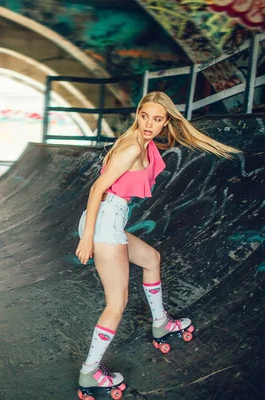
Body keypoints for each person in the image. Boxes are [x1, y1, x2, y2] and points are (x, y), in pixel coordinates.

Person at [75, 91, 240, 393]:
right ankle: (89, 373)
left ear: (165, 123)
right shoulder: (130, 148)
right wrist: (88, 238)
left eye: (157, 118)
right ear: (137, 114)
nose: (148, 123)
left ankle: (161, 322)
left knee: (151, 259)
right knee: (117, 303)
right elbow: (98, 187)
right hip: (104, 220)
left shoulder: (145, 142)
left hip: (109, 218)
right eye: (144, 116)